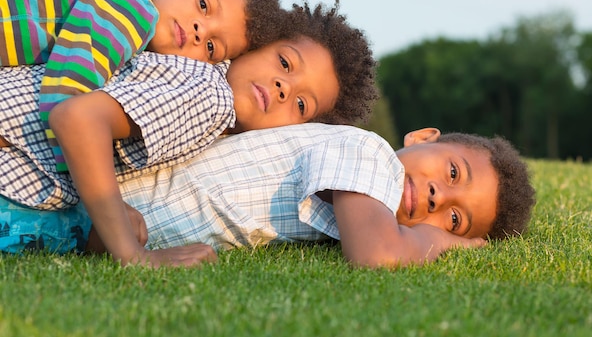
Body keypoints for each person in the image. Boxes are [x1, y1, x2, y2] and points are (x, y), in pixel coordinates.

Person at [0, 1, 379, 267]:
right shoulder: (208, 95)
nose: (283, 88)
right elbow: (77, 118)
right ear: (255, 44)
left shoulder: (201, 98)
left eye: (300, 105)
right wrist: (132, 255)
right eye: (284, 63)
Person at [0, 123, 536, 269]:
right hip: (69, 196)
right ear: (422, 138)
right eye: (451, 172)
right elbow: (378, 258)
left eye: (456, 219)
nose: (440, 198)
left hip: (94, 217)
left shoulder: (363, 199)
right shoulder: (365, 149)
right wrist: (448, 244)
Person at [0, 0, 284, 171]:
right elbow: (70, 85)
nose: (200, 30)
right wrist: (76, 170)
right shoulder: (132, 8)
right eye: (203, 4)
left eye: (211, 47)